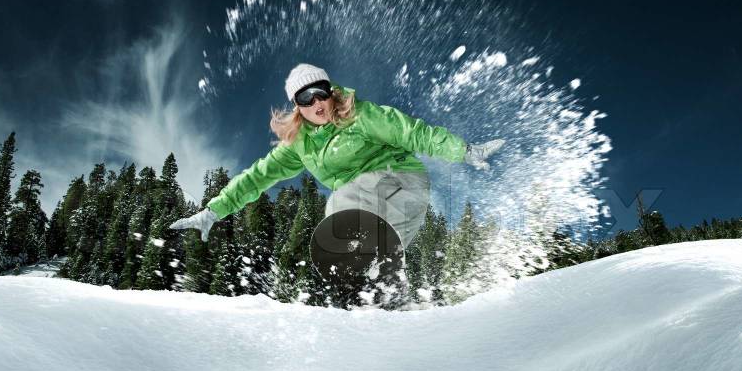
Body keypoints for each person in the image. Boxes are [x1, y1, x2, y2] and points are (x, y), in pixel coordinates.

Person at [170, 63, 504, 253]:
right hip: (375, 207)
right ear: (297, 106)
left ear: (331, 94)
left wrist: (463, 151)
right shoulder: (299, 145)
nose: (317, 103)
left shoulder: (361, 115)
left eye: (321, 93)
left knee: (340, 205)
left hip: (403, 181)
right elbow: (257, 177)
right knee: (366, 249)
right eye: (306, 97)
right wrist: (213, 211)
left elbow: (412, 132)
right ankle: (381, 294)